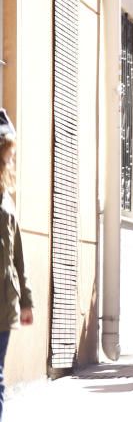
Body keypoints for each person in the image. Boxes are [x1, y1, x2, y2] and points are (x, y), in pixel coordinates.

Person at [0, 110, 32, 418]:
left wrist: (26, 299)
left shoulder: (6, 198)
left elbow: (17, 252)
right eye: (6, 156)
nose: (9, 162)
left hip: (3, 301)